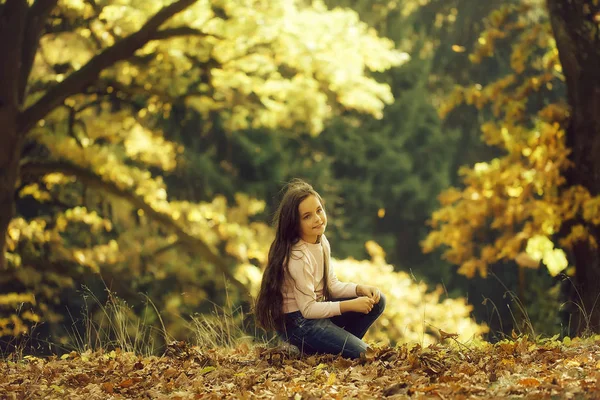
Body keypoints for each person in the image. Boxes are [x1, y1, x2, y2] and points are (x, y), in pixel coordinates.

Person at [254, 179, 386, 359]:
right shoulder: (298, 256)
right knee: (365, 354)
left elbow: (331, 285)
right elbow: (307, 309)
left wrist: (359, 289)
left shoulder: (321, 240)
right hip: (299, 324)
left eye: (319, 210)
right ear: (295, 223)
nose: (317, 218)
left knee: (377, 301)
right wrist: (349, 305)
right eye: (307, 216)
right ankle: (314, 348)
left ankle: (333, 349)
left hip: (317, 315)